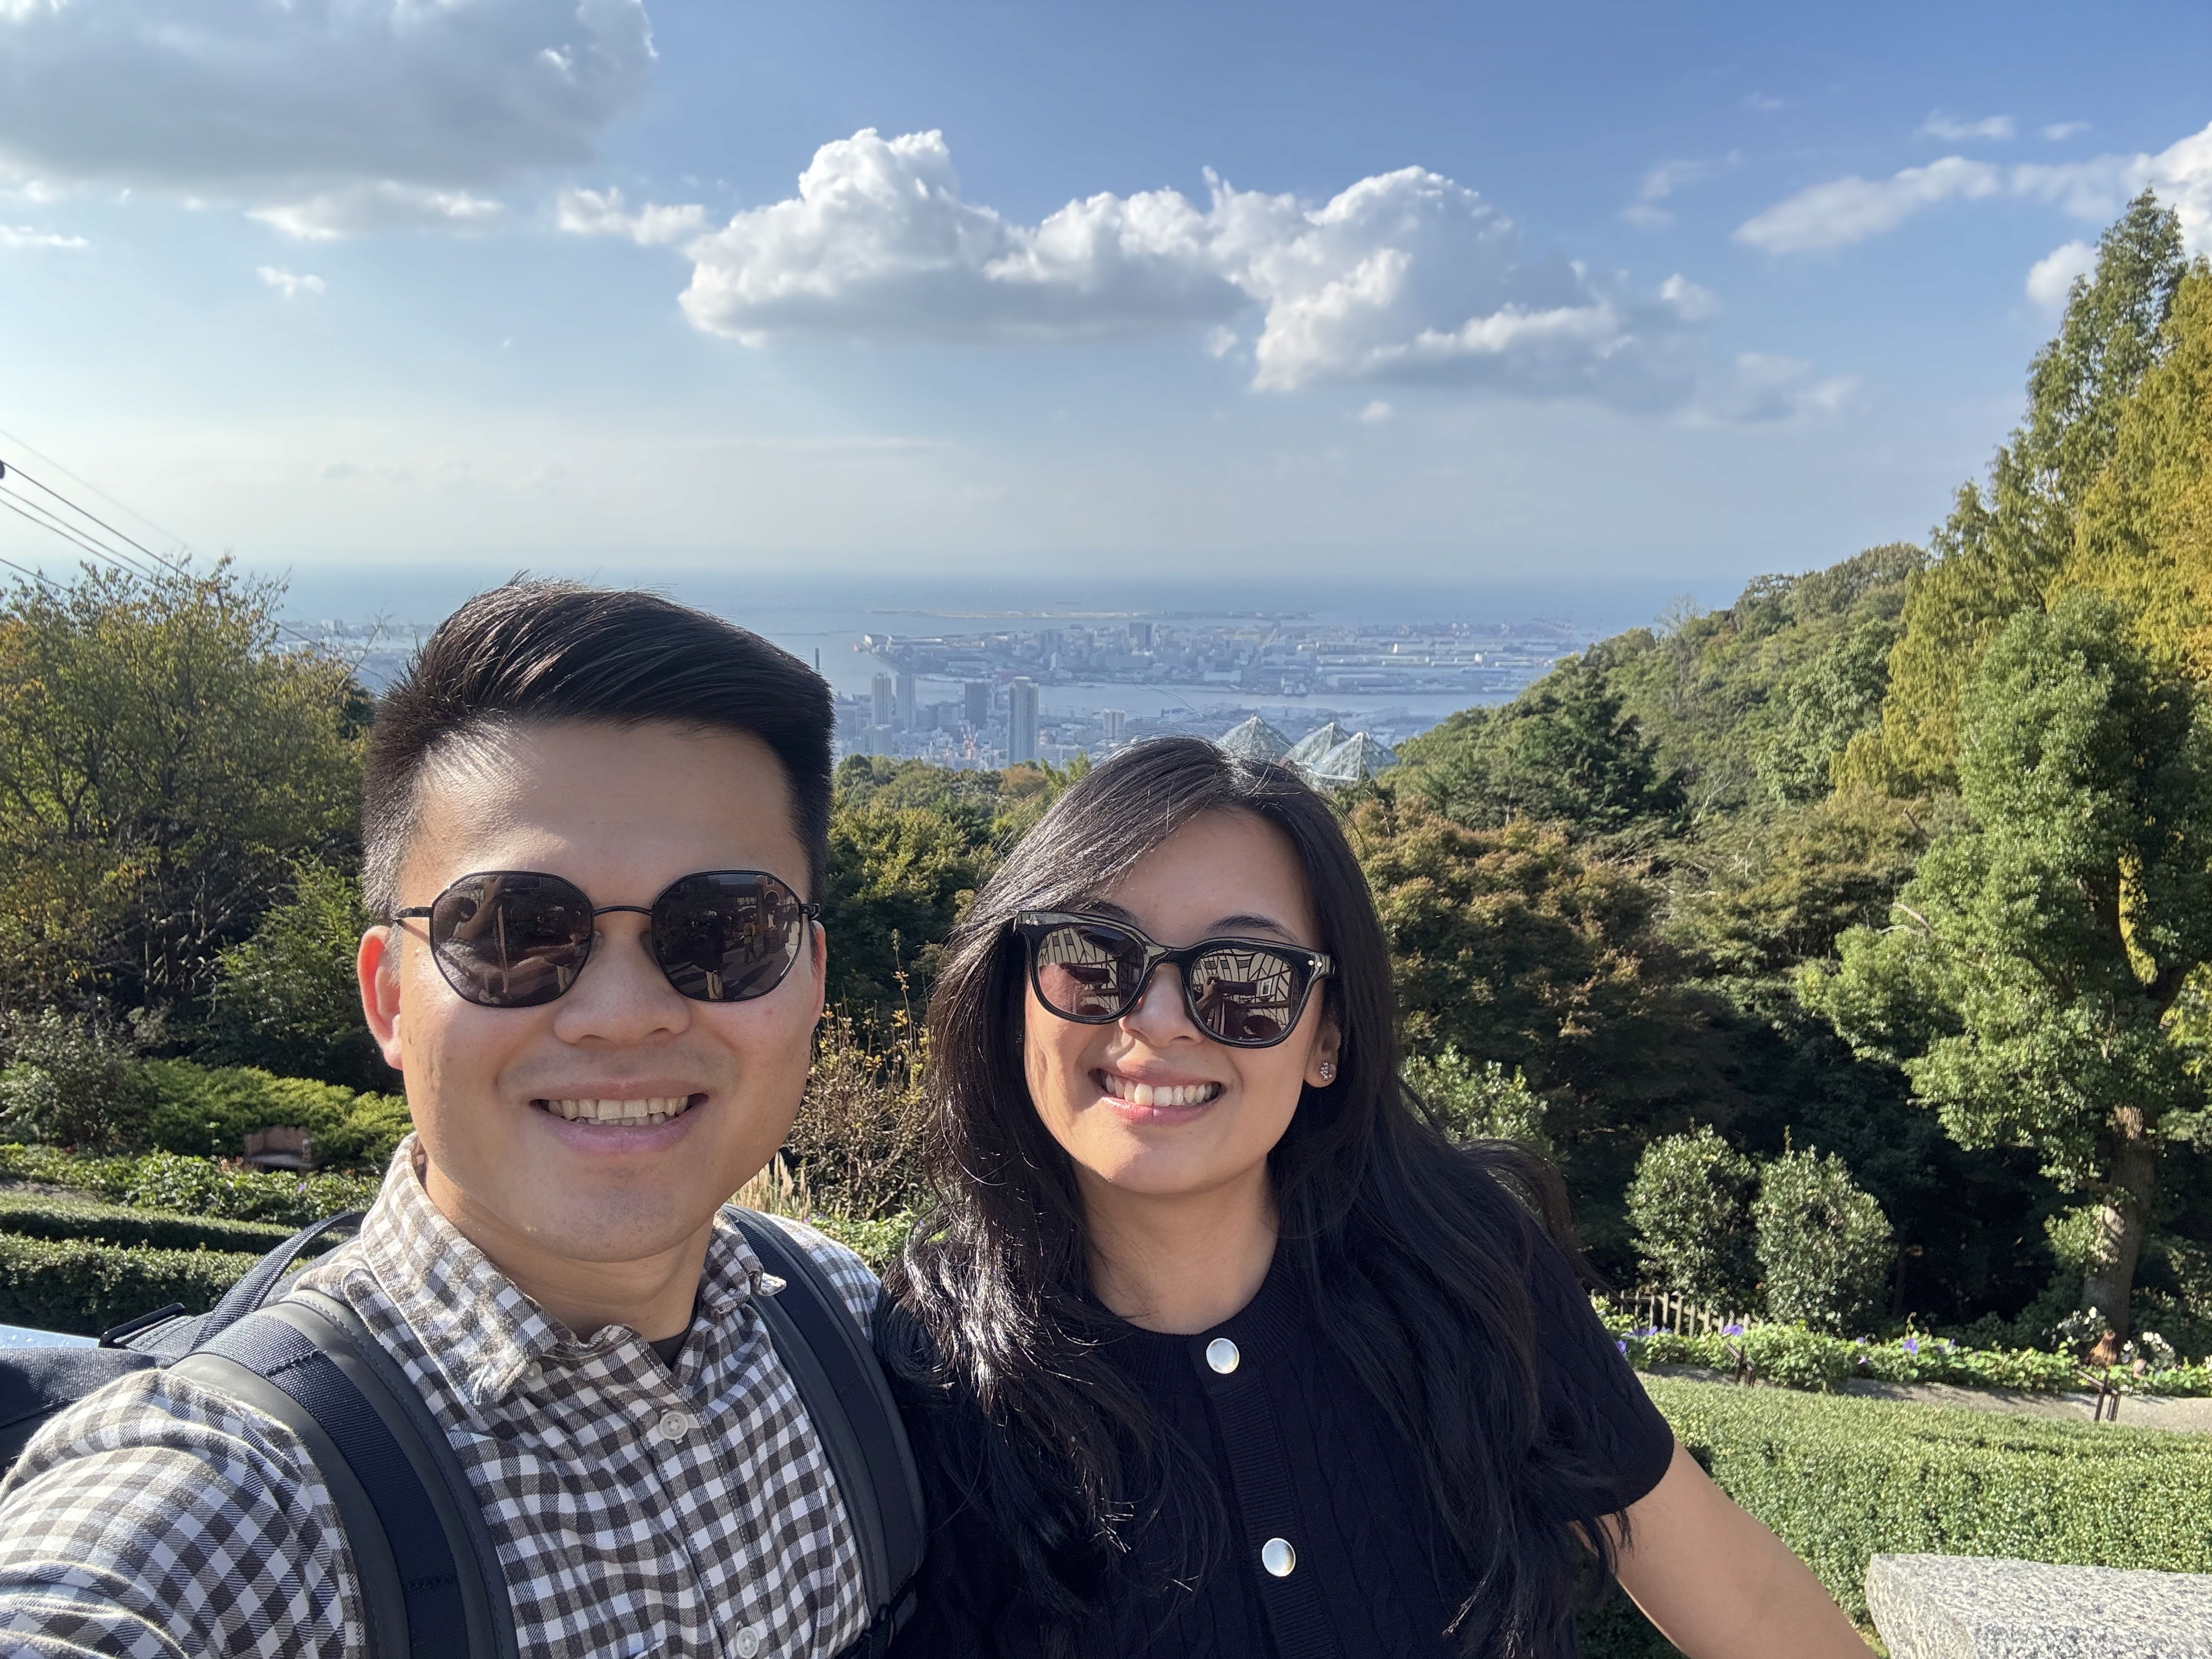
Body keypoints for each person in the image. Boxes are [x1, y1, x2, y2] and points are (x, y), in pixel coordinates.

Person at [0, 583, 888, 1657]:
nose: (624, 1015)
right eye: (511, 929)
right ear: (388, 999)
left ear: (810, 978)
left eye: (724, 929)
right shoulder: (247, 1491)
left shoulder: (841, 1324)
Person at [878, 737, 1870, 1658]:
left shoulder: (1465, 1271)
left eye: (1247, 978)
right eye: (1094, 958)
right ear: (1014, 994)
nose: (1159, 1020)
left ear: (1329, 1040)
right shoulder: (935, 1373)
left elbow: (1742, 1602)